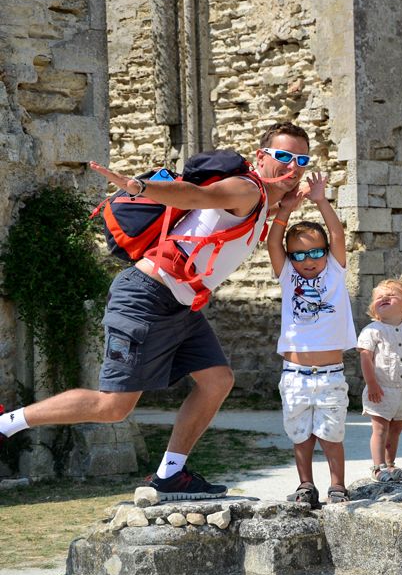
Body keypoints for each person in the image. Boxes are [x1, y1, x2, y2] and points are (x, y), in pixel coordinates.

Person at [0, 122, 311, 500]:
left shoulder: (265, 202)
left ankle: (170, 475)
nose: (292, 167)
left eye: (301, 160)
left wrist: (286, 208)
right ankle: (6, 424)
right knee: (112, 406)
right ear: (261, 157)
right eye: (283, 157)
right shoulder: (247, 188)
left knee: (217, 381)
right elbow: (194, 195)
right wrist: (139, 187)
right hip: (147, 296)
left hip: (180, 304)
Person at [267, 171, 356, 507]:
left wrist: (320, 200)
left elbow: (336, 232)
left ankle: (337, 485)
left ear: (326, 253)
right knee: (300, 434)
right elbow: (273, 242)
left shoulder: (335, 270)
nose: (308, 261)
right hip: (294, 375)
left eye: (315, 253)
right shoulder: (287, 275)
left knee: (332, 434)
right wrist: (285, 210)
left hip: (331, 375)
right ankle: (306, 485)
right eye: (299, 255)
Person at [357, 276, 402, 483]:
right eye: (379, 297)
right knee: (380, 429)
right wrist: (371, 384)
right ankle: (378, 467)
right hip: (381, 389)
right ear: (373, 307)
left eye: (390, 295)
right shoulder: (372, 330)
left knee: (396, 430)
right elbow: (365, 357)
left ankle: (390, 464)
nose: (384, 298)